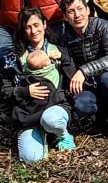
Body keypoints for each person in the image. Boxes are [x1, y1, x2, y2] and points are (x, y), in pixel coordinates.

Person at [50, 0, 108, 142]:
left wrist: (84, 70)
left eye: (80, 9)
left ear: (88, 10)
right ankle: (100, 118)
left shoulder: (104, 27)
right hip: (88, 85)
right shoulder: (65, 37)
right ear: (65, 16)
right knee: (81, 105)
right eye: (71, 11)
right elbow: (67, 66)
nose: (77, 15)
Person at [5, 8, 76, 162]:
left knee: (50, 119)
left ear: (44, 25)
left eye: (37, 25)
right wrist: (24, 91)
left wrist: (63, 59)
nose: (33, 31)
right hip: (29, 113)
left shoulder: (58, 49)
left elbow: (73, 79)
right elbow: (6, 90)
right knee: (31, 158)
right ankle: (42, 135)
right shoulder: (15, 56)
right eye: (28, 27)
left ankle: (62, 134)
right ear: (23, 30)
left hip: (55, 108)